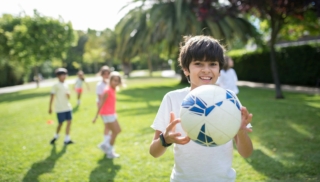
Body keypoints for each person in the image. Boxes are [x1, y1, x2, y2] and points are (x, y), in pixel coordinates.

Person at [149, 35, 253, 182]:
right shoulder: (172, 99)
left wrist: (242, 133)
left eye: (212, 64)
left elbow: (246, 153)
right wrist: (164, 139)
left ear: (219, 68)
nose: (206, 70)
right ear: (186, 69)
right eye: (198, 64)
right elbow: (154, 152)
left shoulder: (229, 98)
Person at [93, 71, 122, 159]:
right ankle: (108, 149)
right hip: (107, 114)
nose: (116, 83)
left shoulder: (112, 89)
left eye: (118, 81)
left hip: (110, 113)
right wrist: (96, 116)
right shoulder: (108, 90)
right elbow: (101, 103)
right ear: (110, 80)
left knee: (116, 131)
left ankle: (106, 146)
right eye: (114, 80)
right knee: (116, 131)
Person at [49, 68, 74, 145]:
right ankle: (56, 136)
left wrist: (69, 95)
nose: (64, 76)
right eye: (62, 75)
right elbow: (52, 97)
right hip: (60, 108)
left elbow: (68, 97)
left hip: (67, 107)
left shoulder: (66, 84)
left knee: (69, 122)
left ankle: (67, 139)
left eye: (65, 74)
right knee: (60, 123)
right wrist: (50, 107)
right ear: (58, 76)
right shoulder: (56, 86)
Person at [95, 66, 111, 153]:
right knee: (107, 126)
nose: (106, 75)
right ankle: (105, 144)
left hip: (109, 108)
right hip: (103, 107)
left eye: (108, 73)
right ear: (101, 74)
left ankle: (106, 144)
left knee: (109, 126)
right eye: (104, 73)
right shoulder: (99, 85)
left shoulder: (110, 83)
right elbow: (100, 98)